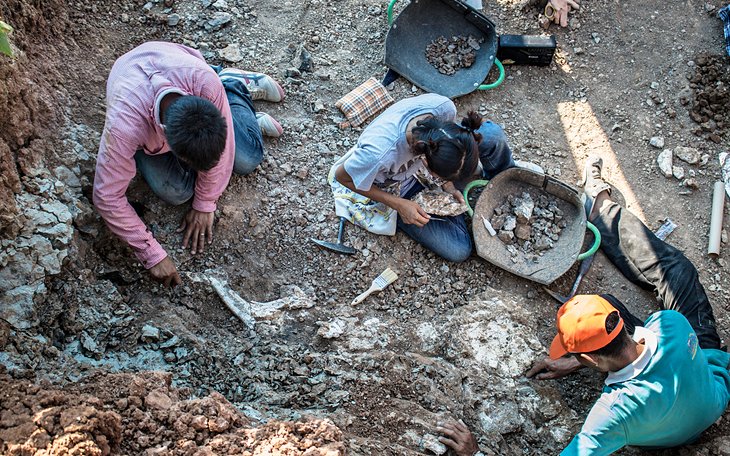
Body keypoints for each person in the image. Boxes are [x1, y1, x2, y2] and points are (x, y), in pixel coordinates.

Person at [436, 156, 730, 455]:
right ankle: (602, 209)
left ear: (591, 361)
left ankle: (600, 209)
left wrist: (475, 453)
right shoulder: (671, 325)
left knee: (641, 286)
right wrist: (581, 356)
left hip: (673, 436)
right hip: (713, 388)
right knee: (678, 271)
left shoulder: (612, 415)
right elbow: (648, 335)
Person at [93, 41, 285, 287]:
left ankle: (232, 86)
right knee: (175, 193)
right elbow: (107, 196)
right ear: (173, 150)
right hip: (137, 99)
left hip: (184, 69)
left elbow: (222, 154)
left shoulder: (204, 85)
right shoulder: (125, 128)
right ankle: (237, 103)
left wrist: (206, 202)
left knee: (246, 159)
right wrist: (151, 254)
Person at [330, 93, 515, 262]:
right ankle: (411, 214)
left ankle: (507, 179)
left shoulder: (443, 108)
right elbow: (342, 177)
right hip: (394, 185)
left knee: (493, 137)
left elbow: (453, 152)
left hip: (426, 164)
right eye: (440, 176)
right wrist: (399, 205)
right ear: (425, 160)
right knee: (459, 250)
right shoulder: (380, 154)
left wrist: (448, 185)